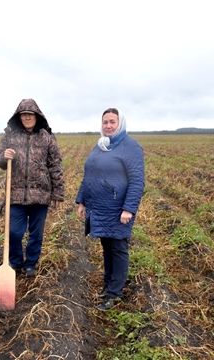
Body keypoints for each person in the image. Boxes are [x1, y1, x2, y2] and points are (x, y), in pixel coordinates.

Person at [75, 108, 145, 311]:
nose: (108, 126)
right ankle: (108, 286)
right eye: (105, 122)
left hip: (117, 209)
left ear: (120, 123)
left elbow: (137, 182)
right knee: (107, 248)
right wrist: (82, 202)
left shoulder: (130, 147)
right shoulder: (101, 146)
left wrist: (129, 209)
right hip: (99, 208)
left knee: (118, 249)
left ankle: (115, 293)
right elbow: (88, 176)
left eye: (112, 122)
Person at [0, 98, 65, 277]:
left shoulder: (47, 137)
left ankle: (30, 264)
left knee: (36, 234)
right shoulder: (10, 136)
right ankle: (16, 262)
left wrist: (57, 193)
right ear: (19, 116)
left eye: (30, 114)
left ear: (37, 116)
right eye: (24, 114)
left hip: (40, 195)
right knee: (14, 233)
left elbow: (55, 165)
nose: (27, 117)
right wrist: (4, 155)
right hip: (15, 194)